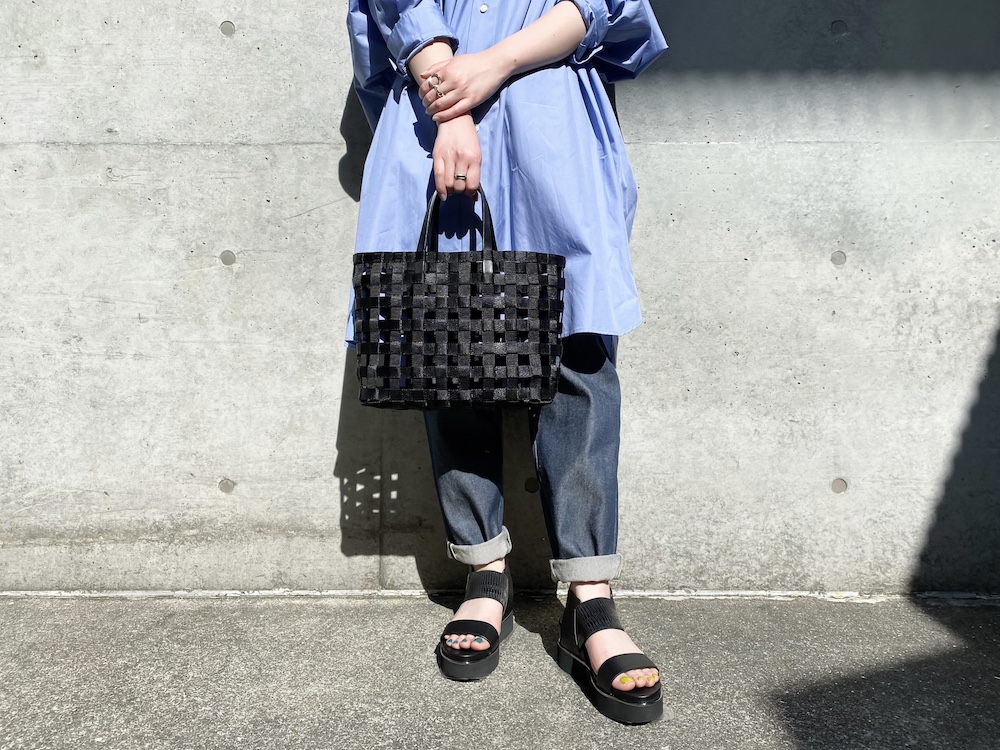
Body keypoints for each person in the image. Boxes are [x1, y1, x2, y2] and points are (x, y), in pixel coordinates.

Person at [347, 0, 667, 725]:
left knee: (578, 353)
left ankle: (590, 600)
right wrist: (452, 103)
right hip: (437, 112)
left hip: (550, 113)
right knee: (447, 346)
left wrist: (492, 66)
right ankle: (483, 573)